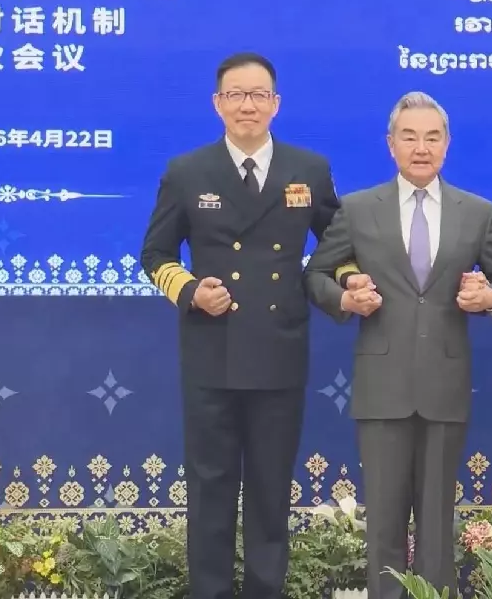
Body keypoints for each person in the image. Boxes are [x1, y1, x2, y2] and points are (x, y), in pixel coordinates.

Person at [304, 92, 492, 599]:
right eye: (410, 137)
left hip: (445, 384)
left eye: (432, 137)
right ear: (391, 144)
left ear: (446, 144)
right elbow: (315, 275)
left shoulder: (477, 211)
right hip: (381, 385)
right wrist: (345, 299)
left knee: (437, 521)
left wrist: (489, 297)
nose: (421, 148)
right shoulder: (358, 209)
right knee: (383, 519)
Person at [139, 52, 340, 599]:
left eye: (258, 95)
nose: (246, 105)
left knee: (272, 489)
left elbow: (338, 245)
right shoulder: (187, 171)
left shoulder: (309, 169)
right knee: (211, 487)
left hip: (279, 350)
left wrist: (347, 283)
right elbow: (154, 254)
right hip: (212, 350)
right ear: (217, 104)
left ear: (275, 104)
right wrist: (190, 291)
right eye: (235, 94)